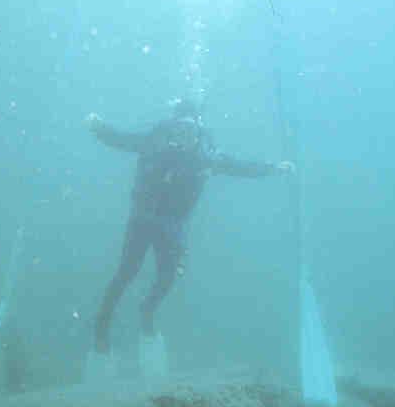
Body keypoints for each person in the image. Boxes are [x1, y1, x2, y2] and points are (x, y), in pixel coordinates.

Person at [87, 99, 295, 355]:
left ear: (198, 130)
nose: (184, 135)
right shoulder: (155, 142)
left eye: (190, 130)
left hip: (173, 224)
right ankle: (102, 325)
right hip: (143, 218)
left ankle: (147, 309)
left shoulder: (205, 157)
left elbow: (238, 166)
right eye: (179, 128)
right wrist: (98, 128)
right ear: (172, 127)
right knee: (126, 273)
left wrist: (271, 168)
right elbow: (122, 139)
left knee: (168, 276)